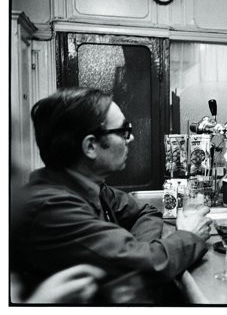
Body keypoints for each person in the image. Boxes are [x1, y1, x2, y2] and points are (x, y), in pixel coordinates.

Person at [15, 87, 212, 303]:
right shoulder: (51, 208)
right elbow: (150, 265)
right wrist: (188, 235)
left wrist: (138, 252)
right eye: (123, 131)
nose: (132, 137)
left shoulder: (88, 185)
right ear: (91, 146)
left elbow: (145, 212)